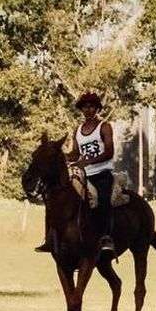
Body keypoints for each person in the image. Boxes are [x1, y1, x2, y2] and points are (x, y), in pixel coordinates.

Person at [67, 90, 118, 253]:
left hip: (102, 173)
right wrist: (63, 157)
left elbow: (109, 152)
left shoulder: (105, 127)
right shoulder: (78, 130)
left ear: (97, 108)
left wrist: (86, 162)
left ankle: (107, 237)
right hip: (84, 174)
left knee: (103, 199)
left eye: (91, 106)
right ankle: (58, 237)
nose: (88, 110)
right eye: (85, 107)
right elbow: (75, 153)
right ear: (81, 109)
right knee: (64, 199)